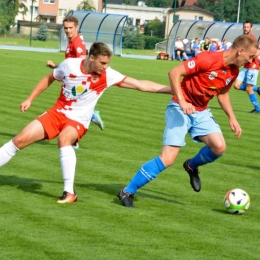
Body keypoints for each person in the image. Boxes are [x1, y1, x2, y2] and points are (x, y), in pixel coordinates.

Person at [0, 42, 172, 204]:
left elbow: (140, 85)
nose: (105, 67)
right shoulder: (69, 65)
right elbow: (49, 78)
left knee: (64, 139)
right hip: (56, 113)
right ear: (91, 58)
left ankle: (69, 193)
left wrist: (174, 90)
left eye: (107, 63)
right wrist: (30, 99)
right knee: (19, 140)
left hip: (78, 120)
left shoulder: (108, 75)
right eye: (102, 63)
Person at [117, 34, 258, 208]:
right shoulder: (208, 58)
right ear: (240, 51)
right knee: (168, 159)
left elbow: (222, 93)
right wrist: (182, 101)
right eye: (251, 56)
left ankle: (191, 166)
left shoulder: (233, 71)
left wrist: (232, 118)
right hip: (179, 107)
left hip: (201, 111)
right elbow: (174, 72)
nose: (251, 61)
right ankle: (127, 191)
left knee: (219, 147)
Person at [46, 16, 104, 150]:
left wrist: (82, 81)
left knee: (69, 109)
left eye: (70, 28)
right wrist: (55, 66)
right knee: (70, 109)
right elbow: (70, 64)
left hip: (77, 83)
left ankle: (91, 115)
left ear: (76, 28)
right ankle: (73, 141)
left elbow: (82, 62)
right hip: (72, 81)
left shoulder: (77, 43)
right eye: (65, 28)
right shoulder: (71, 42)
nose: (68, 31)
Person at [233, 20, 260, 113]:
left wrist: (250, 57)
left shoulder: (253, 39)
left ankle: (258, 109)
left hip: (253, 67)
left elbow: (258, 52)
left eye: (248, 27)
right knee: (236, 86)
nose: (246, 28)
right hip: (245, 66)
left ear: (251, 28)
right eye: (245, 27)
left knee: (248, 88)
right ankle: (257, 89)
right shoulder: (242, 38)